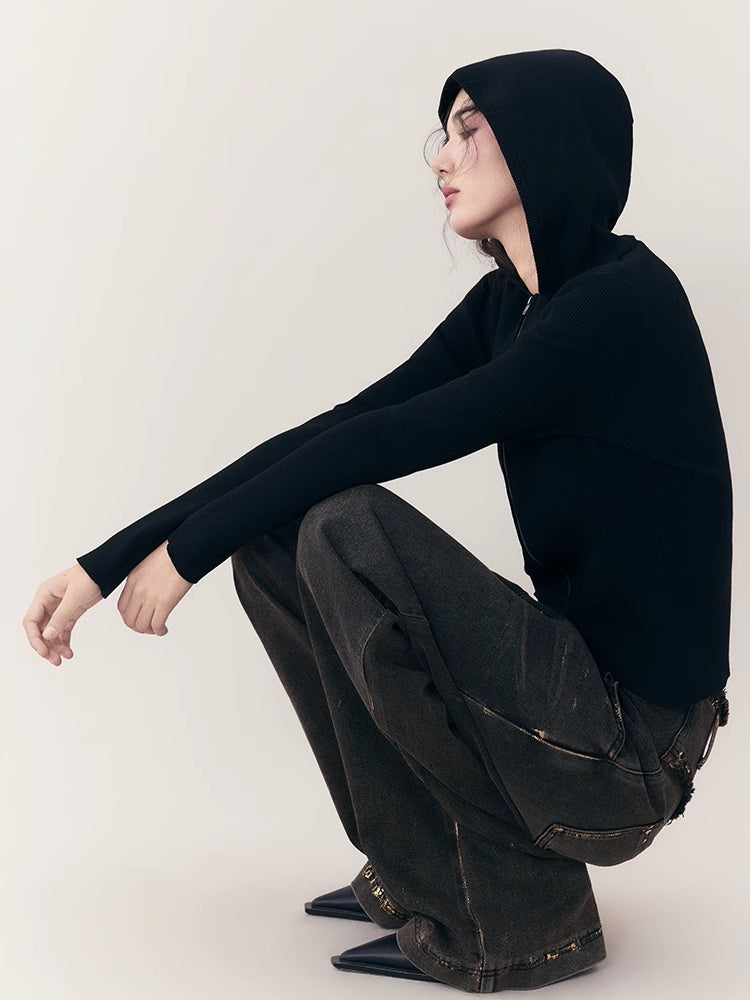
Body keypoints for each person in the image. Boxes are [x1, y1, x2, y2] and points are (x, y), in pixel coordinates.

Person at [23, 48, 732, 993]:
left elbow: (388, 444)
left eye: (470, 131)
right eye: (444, 134)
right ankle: (423, 865)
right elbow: (339, 428)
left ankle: (519, 916)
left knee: (347, 527)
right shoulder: (512, 307)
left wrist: (184, 555)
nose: (442, 158)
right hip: (572, 711)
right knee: (276, 534)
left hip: (632, 749)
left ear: (547, 143)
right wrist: (108, 561)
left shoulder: (616, 307)